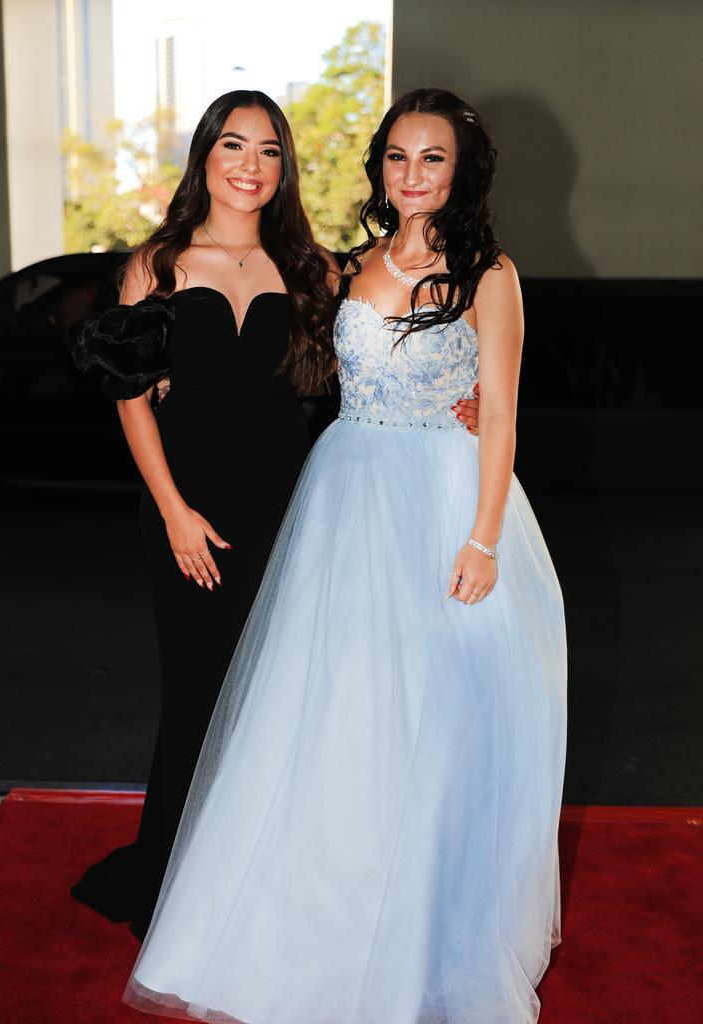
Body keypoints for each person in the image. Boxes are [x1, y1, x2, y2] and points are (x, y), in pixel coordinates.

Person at [123, 87, 567, 1024]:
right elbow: (286, 369)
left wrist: (483, 533)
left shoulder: (491, 274)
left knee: (436, 719)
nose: (413, 175)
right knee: (334, 710)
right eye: (398, 157)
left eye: (433, 157)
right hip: (340, 502)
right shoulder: (340, 270)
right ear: (378, 170)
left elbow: (505, 413)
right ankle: (316, 911)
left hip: (444, 508)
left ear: (462, 170)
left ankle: (419, 923)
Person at [68, 90, 344, 938]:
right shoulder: (157, 263)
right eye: (234, 144)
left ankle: (267, 871)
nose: (249, 165)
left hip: (286, 501)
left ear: (283, 168)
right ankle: (178, 881)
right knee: (196, 691)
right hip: (186, 503)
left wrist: (463, 405)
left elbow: (368, 371)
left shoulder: (312, 269)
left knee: (276, 695)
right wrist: (175, 512)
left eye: (268, 150)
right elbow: (130, 401)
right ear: (205, 155)